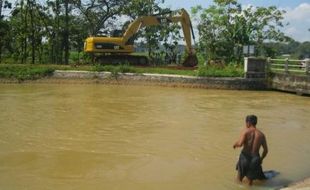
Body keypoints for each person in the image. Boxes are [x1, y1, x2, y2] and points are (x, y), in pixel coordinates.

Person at [233, 115, 268, 186]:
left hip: (244, 157)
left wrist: (235, 144)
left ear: (248, 123)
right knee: (250, 182)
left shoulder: (245, 131)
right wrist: (261, 158)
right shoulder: (261, 135)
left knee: (239, 179)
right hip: (255, 158)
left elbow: (240, 144)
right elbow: (266, 150)